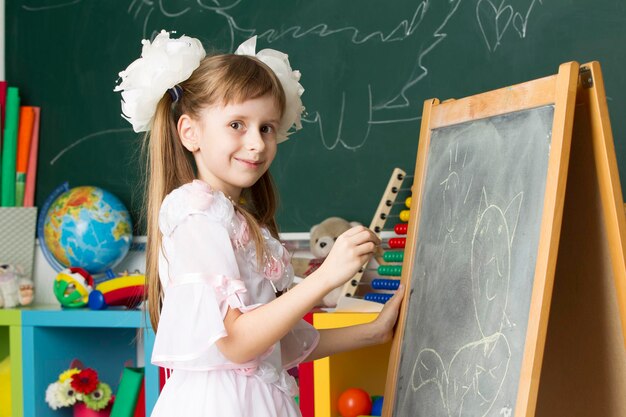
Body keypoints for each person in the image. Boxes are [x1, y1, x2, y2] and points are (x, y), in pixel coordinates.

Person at [115, 30, 404, 417]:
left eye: (266, 127)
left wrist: (374, 331)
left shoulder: (237, 219)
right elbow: (236, 342)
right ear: (190, 132)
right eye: (237, 124)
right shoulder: (195, 211)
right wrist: (326, 276)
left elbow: (273, 346)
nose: (257, 143)